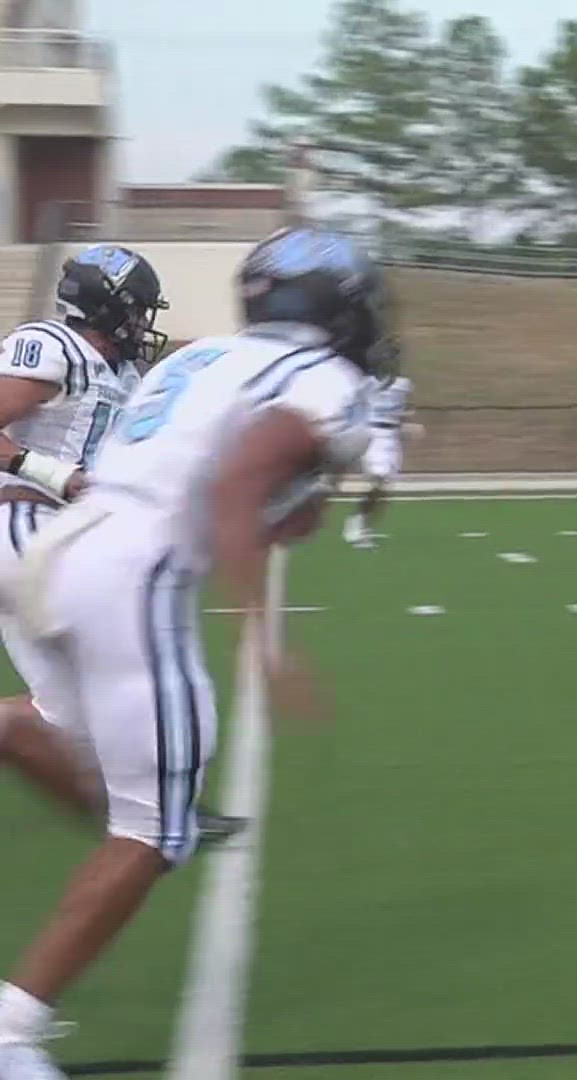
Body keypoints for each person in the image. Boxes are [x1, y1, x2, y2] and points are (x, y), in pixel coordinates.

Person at [0, 226, 387, 1080]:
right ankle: (10, 1031)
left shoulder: (201, 357)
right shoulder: (323, 377)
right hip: (132, 571)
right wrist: (260, 632)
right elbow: (239, 480)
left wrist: (291, 499)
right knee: (154, 829)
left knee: (116, 783)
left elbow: (222, 475)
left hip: (64, 553)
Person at [0, 247, 246, 851]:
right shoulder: (56, 347)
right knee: (126, 659)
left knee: (71, 711)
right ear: (109, 308)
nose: (142, 324)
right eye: (137, 311)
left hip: (56, 534)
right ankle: (154, 817)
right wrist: (54, 475)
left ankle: (155, 814)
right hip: (25, 524)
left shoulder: (125, 377)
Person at [342, 373, 416, 548]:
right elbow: (352, 405)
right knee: (378, 479)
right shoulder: (367, 383)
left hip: (393, 437)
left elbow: (405, 408)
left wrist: (406, 423)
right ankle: (357, 523)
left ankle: (363, 524)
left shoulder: (403, 384)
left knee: (384, 488)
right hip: (374, 434)